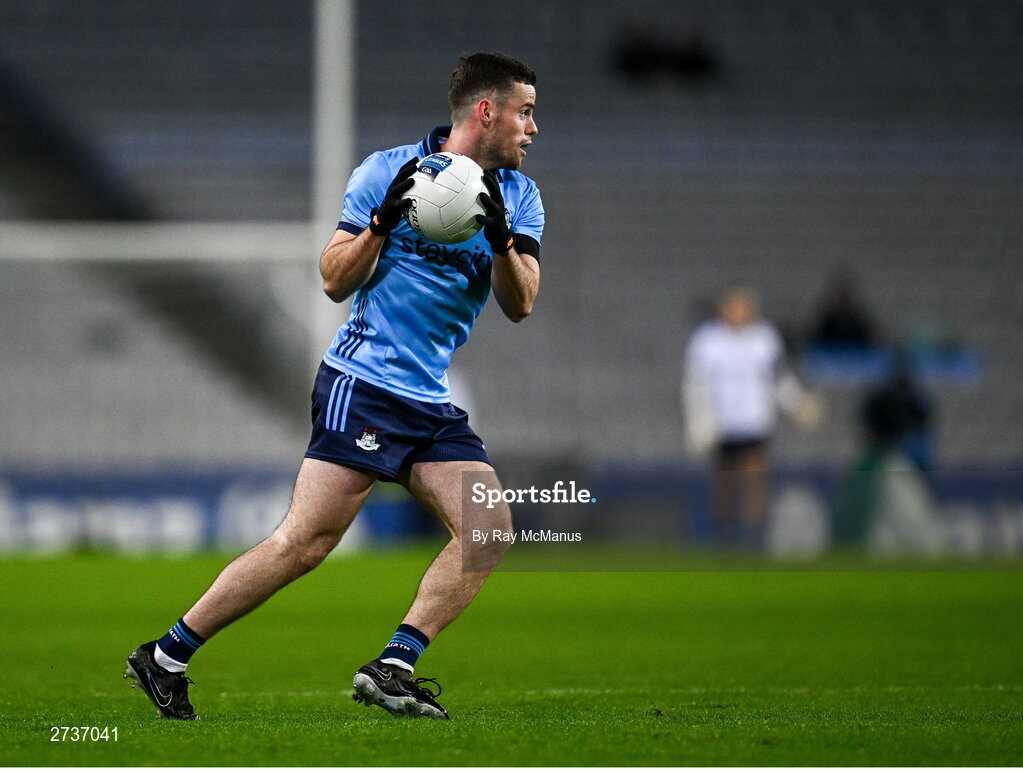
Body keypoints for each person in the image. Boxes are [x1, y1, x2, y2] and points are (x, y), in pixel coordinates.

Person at [123, 52, 542, 721]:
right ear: (485, 111)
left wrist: (498, 238)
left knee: (488, 527)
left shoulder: (520, 198)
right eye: (524, 111)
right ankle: (165, 656)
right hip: (365, 382)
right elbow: (333, 278)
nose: (532, 127)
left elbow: (520, 302)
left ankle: (394, 663)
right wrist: (381, 221)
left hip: (430, 399)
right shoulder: (386, 170)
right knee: (307, 543)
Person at [682, 284, 818, 547]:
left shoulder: (764, 339)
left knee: (755, 475)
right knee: (724, 478)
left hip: (754, 420)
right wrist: (697, 423)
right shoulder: (707, 341)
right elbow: (695, 385)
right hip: (721, 421)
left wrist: (797, 404)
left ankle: (754, 532)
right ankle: (725, 531)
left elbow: (778, 378)